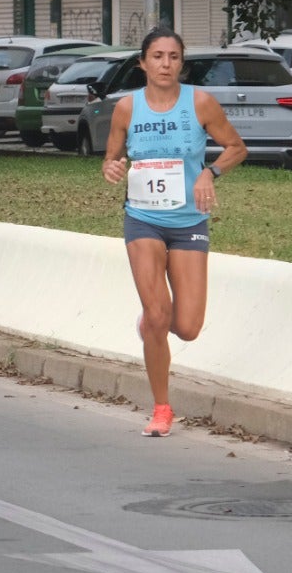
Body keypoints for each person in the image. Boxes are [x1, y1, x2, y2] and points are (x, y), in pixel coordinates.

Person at [101, 25, 247, 438]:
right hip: (143, 220)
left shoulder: (199, 103)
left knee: (187, 327)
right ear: (143, 63)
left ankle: (152, 325)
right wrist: (112, 167)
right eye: (158, 56)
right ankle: (162, 407)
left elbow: (237, 147)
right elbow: (112, 159)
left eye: (174, 57)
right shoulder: (127, 109)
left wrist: (210, 171)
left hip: (189, 222)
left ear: (181, 63)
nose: (166, 64)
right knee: (158, 313)